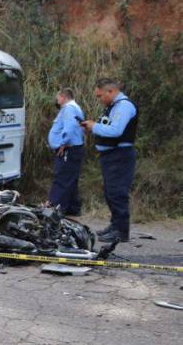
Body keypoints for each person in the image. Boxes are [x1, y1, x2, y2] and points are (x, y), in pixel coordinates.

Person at [81, 78, 138, 242]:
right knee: (110, 192)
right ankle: (115, 225)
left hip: (120, 155)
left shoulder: (124, 106)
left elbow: (115, 131)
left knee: (117, 192)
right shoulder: (113, 107)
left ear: (110, 92)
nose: (99, 100)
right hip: (111, 156)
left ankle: (121, 231)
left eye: (100, 96)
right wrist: (93, 127)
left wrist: (94, 126)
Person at [46, 88, 85, 216]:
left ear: (63, 97)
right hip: (73, 148)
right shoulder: (74, 107)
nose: (57, 101)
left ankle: (54, 208)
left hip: (68, 148)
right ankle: (73, 208)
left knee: (62, 177)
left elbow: (70, 127)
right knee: (71, 178)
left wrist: (63, 143)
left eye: (58, 98)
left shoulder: (69, 108)